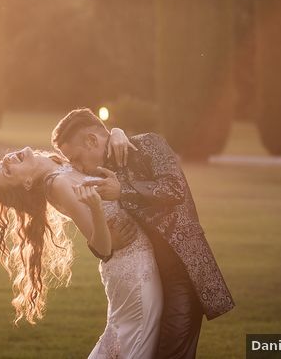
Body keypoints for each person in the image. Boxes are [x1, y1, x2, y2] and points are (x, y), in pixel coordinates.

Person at [52, 108, 235, 359]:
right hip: (150, 278)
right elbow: (101, 237)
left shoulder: (149, 143)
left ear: (92, 141)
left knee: (172, 353)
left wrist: (122, 191)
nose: (75, 166)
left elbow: (175, 190)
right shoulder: (105, 169)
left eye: (75, 158)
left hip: (182, 271)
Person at [0, 129, 163, 358]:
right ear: (27, 182)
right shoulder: (57, 183)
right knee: (136, 345)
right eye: (8, 171)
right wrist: (97, 208)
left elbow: (95, 144)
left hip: (138, 258)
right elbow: (102, 247)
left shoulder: (60, 161)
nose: (7, 159)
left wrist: (117, 133)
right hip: (133, 269)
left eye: (3, 162)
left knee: (129, 343)